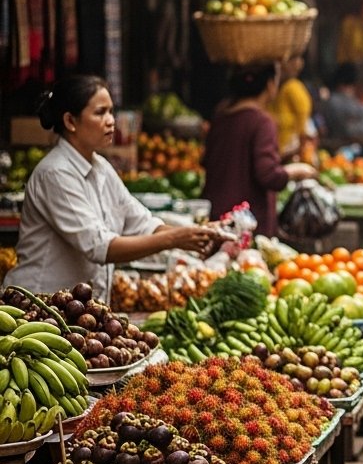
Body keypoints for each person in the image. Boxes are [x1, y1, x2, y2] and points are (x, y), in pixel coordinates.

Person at [12, 76, 218, 301]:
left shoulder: (101, 167)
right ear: (71, 121)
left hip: (77, 307)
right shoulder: (55, 174)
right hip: (40, 304)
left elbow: (142, 223)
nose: (111, 121)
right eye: (100, 113)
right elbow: (100, 247)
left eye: (111, 111)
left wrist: (199, 235)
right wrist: (174, 239)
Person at [202, 64, 319, 233]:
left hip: (215, 216)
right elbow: (268, 175)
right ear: (270, 85)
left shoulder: (221, 116)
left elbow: (215, 160)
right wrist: (296, 170)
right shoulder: (262, 122)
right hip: (245, 222)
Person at [271, 52, 315, 161]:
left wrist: (302, 149)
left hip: (289, 152)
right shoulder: (278, 90)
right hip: (279, 151)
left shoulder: (293, 87)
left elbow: (303, 122)